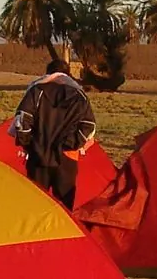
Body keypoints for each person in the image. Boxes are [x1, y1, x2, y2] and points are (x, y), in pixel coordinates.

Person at [11, 60, 97, 209]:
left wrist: (29, 143)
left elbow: (22, 120)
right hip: (67, 158)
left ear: (47, 73)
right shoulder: (79, 95)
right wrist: (70, 144)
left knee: (35, 204)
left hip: (37, 157)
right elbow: (88, 125)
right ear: (68, 73)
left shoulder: (36, 91)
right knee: (64, 208)